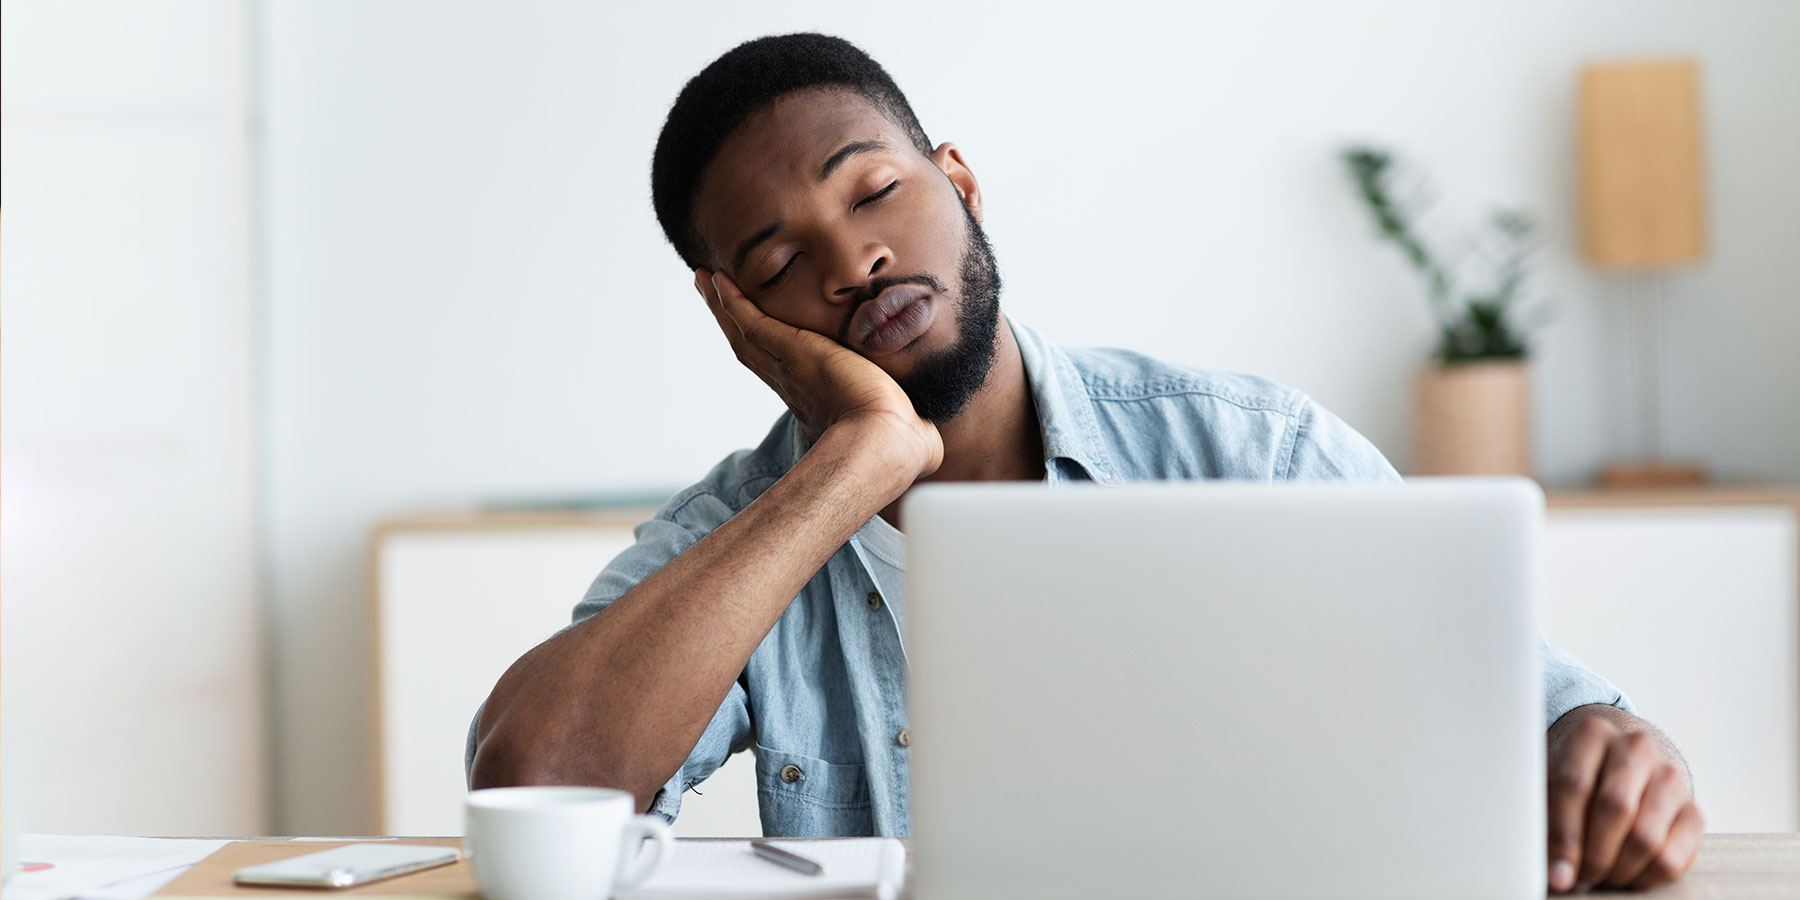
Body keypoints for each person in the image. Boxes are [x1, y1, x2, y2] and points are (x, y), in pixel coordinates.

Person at [467, 33, 1701, 894]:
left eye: (876, 191)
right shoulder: (741, 534)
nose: (854, 263)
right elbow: (535, 781)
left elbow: (1557, 718)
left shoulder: (1249, 449)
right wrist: (856, 464)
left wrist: (1615, 758)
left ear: (960, 183)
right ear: (738, 317)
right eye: (783, 263)